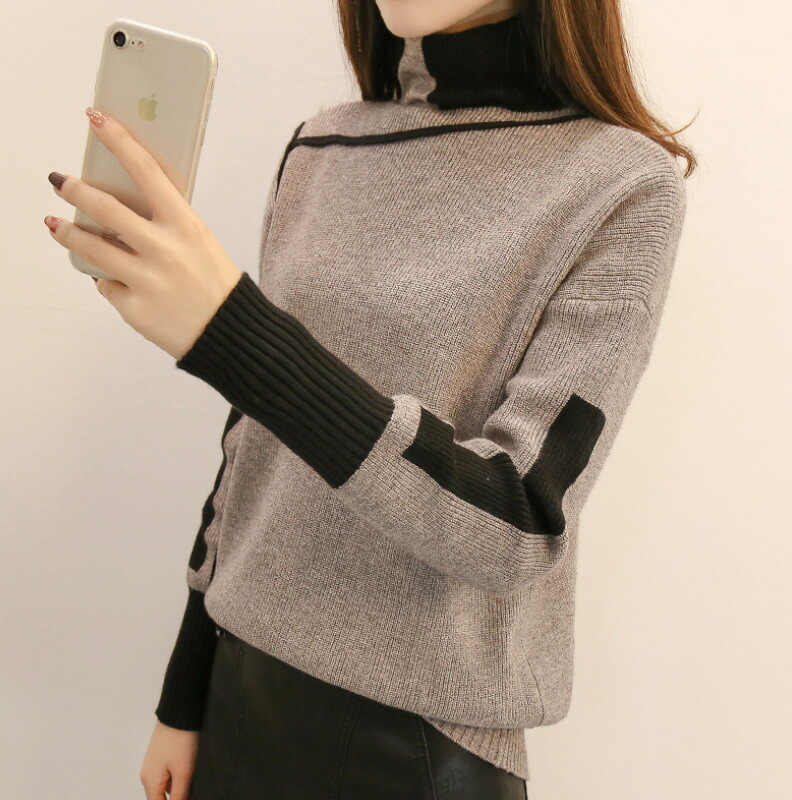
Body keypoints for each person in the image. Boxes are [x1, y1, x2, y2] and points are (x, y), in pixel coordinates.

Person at [138, 0, 696, 797]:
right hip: (241, 696)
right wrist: (184, 692)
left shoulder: (620, 184)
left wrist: (241, 338)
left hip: (414, 752)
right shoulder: (321, 147)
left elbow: (519, 520)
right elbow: (251, 444)